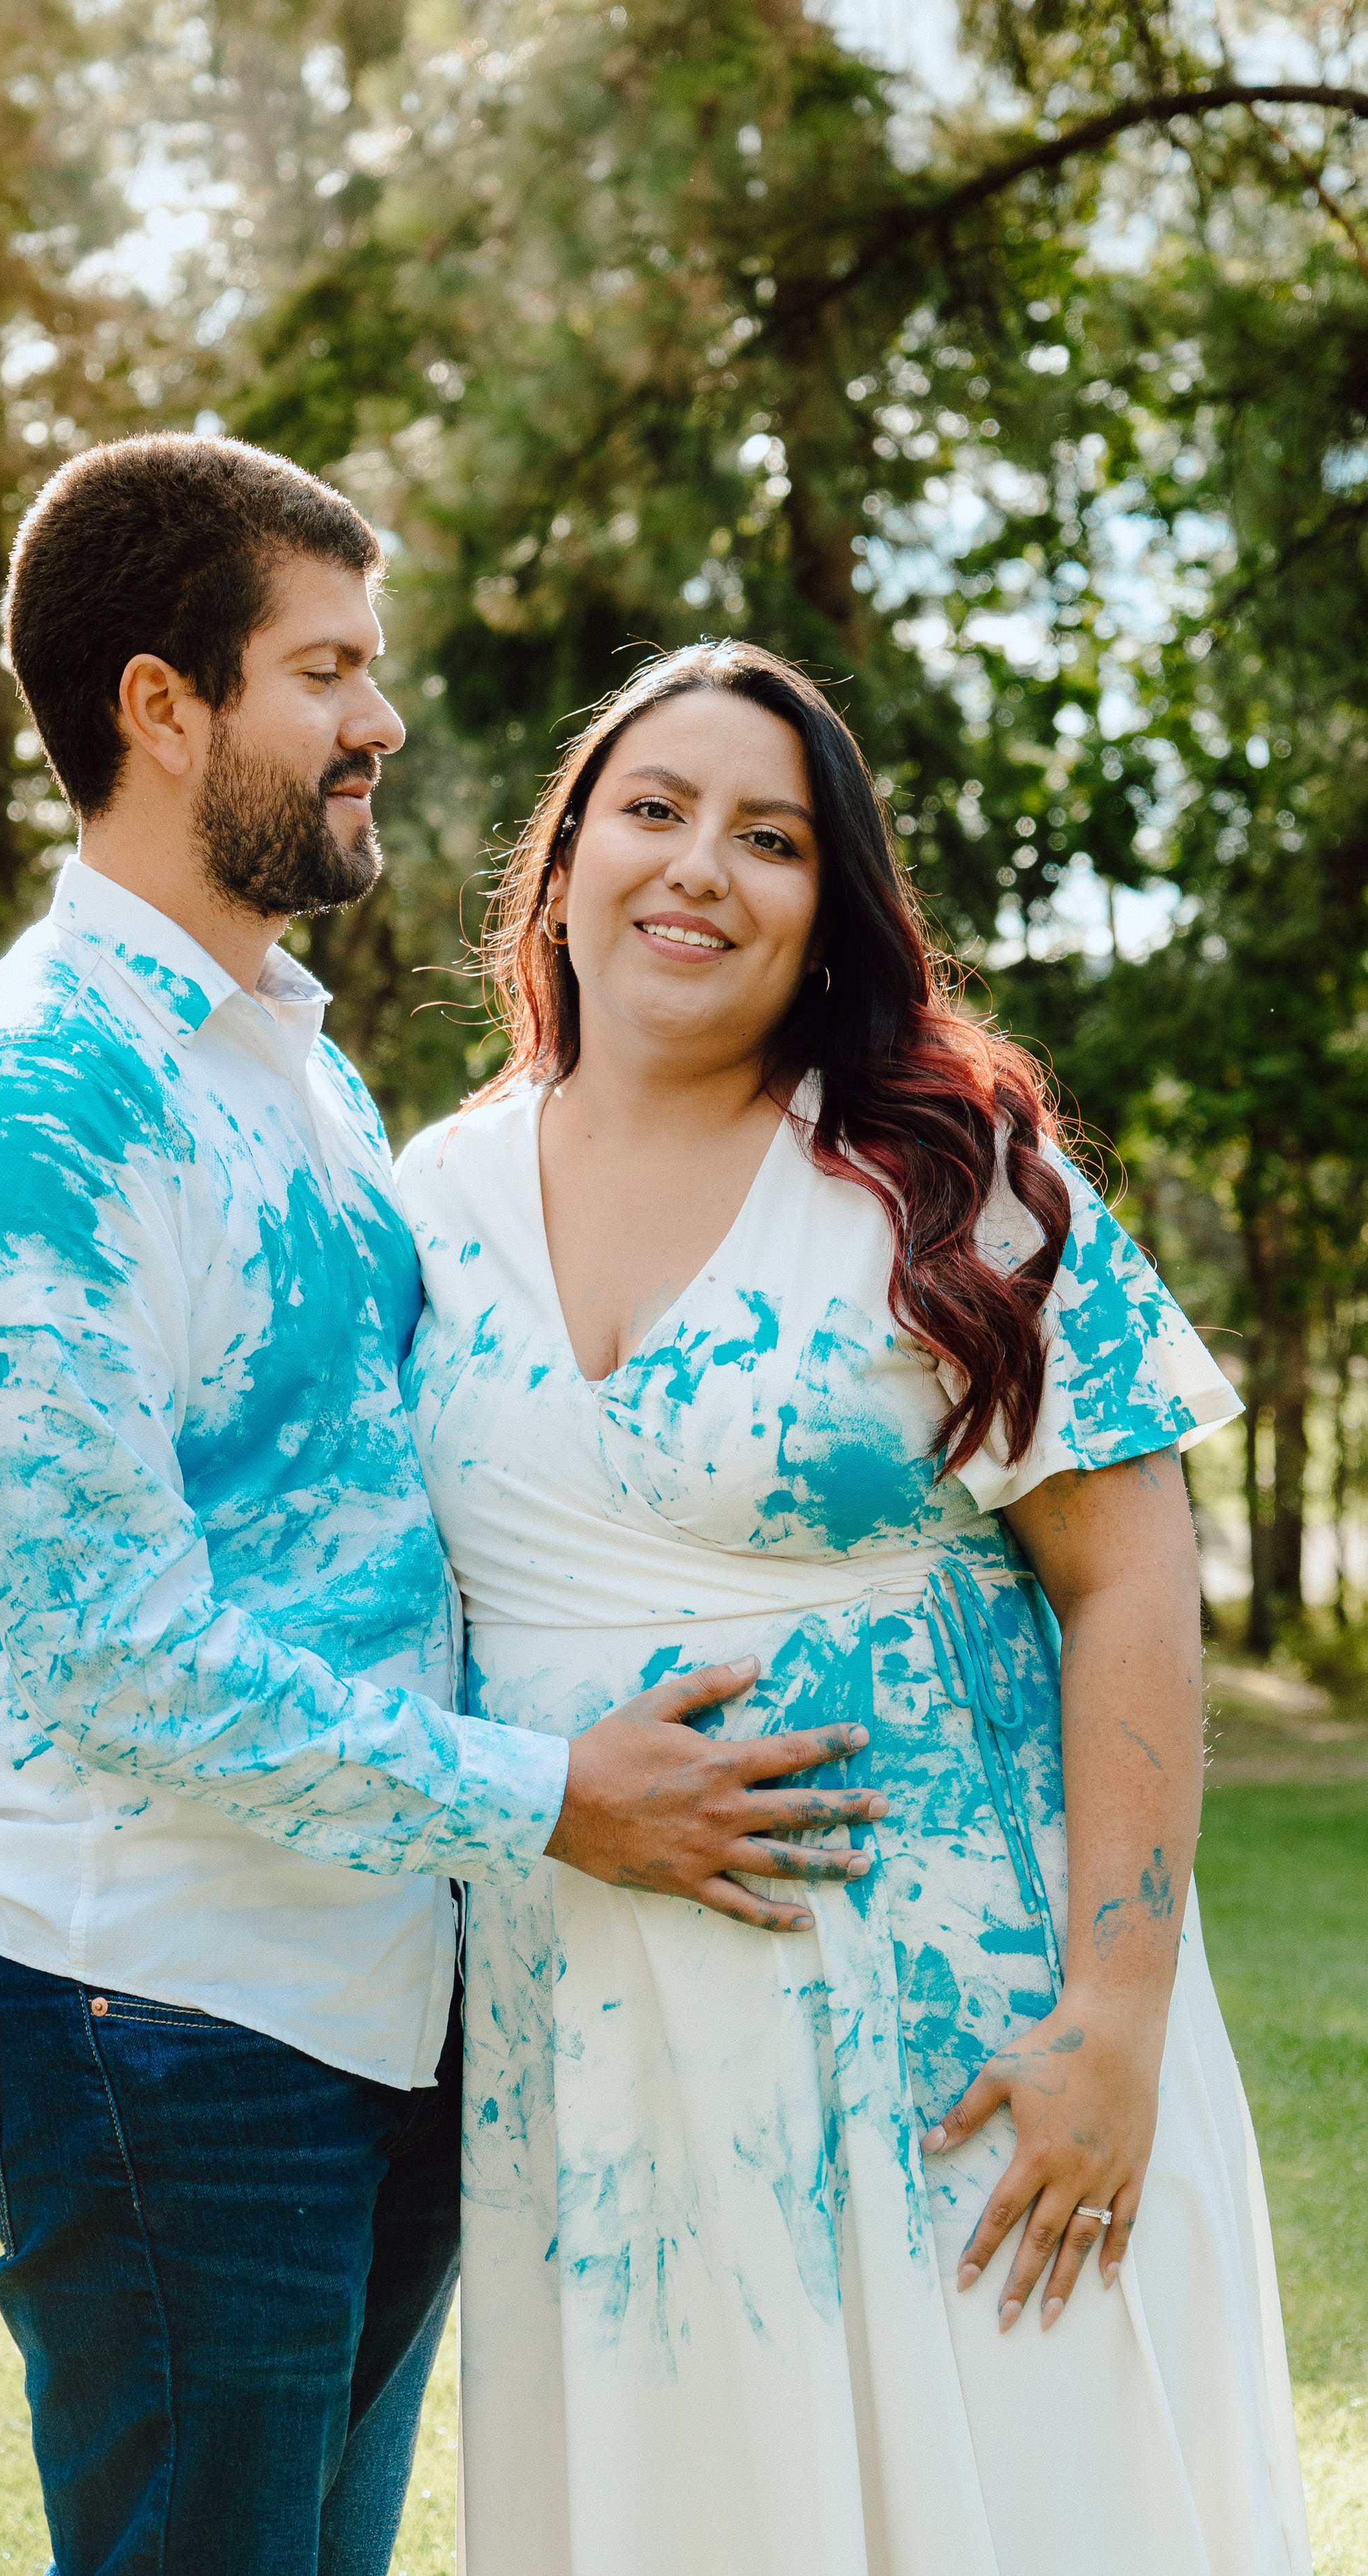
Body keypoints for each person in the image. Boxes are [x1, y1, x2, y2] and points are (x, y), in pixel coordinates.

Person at [0, 441, 880, 2576]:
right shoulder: (21, 1104)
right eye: (326, 669)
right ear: (162, 707)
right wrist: (544, 1797)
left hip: (368, 1992)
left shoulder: (293, 1068)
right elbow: (111, 1648)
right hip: (157, 2017)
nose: (382, 720)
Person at [396, 640, 1311, 2576]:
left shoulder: (941, 1172)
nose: (696, 868)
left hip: (962, 2047)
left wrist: (1116, 2016)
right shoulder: (422, 1201)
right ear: (559, 871)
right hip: (595, 2053)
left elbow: (1131, 1568)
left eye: (770, 837)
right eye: (649, 811)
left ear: (831, 914)